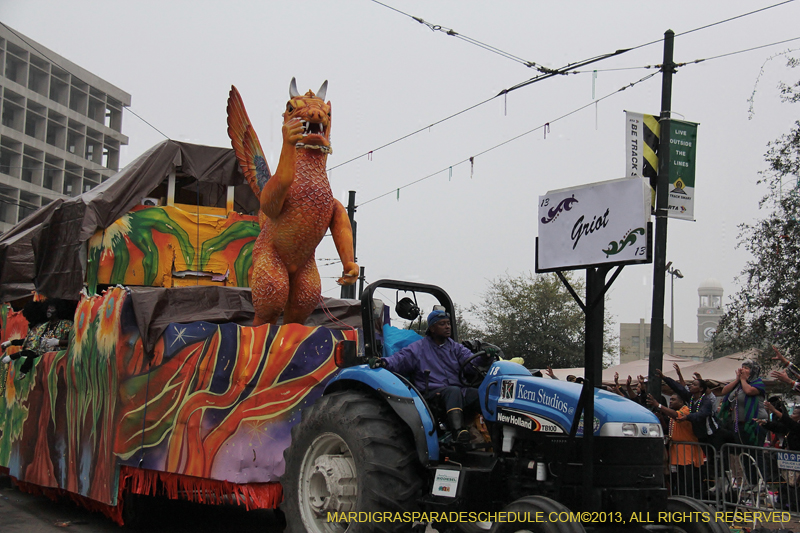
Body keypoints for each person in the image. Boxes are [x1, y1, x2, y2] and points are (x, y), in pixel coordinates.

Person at [369, 309, 492, 443]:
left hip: (457, 391)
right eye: (442, 324)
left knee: (481, 395)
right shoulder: (418, 348)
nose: (447, 327)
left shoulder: (456, 348)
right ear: (432, 328)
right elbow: (399, 360)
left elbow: (472, 363)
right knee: (453, 391)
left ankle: (494, 435)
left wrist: (485, 358)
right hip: (432, 393)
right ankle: (458, 432)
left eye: (448, 323)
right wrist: (383, 361)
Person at [647, 392, 704, 499]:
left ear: (681, 402)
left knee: (688, 482)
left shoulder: (686, 411)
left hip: (687, 454)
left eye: (673, 400)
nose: (671, 401)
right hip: (676, 454)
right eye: (670, 399)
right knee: (678, 481)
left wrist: (658, 405)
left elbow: (675, 415)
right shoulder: (675, 413)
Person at [1, 300, 72, 377]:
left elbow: (75, 342)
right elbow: (32, 343)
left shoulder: (67, 325)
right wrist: (11, 343)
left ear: (58, 310)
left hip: (60, 364)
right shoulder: (42, 327)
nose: (49, 311)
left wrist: (58, 342)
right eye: (48, 309)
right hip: (42, 366)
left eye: (52, 309)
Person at [718, 359, 767, 446]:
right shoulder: (738, 385)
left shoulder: (758, 384)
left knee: (755, 452)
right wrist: (737, 380)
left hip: (755, 424)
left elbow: (748, 391)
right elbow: (724, 391)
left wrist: (743, 380)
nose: (742, 370)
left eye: (746, 368)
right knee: (743, 452)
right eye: (742, 368)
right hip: (739, 424)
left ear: (753, 371)